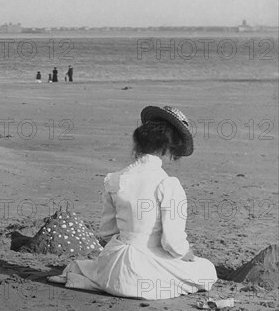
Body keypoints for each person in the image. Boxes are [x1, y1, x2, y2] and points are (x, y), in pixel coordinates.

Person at [49, 105, 217, 300]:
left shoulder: (115, 179)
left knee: (93, 266)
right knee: (207, 270)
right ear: (166, 149)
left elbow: (107, 232)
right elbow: (172, 242)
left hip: (112, 270)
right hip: (142, 274)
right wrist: (185, 252)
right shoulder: (168, 184)